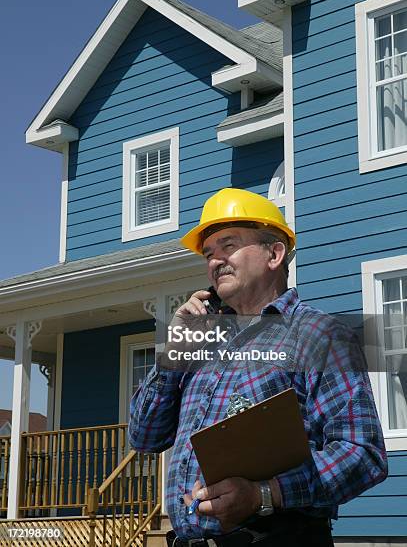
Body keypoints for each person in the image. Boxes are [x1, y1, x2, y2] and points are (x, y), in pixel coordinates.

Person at [128, 188, 387, 547]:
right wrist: (173, 353)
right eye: (208, 254)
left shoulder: (319, 335)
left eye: (229, 246)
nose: (216, 261)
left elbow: (363, 453)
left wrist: (264, 493)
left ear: (274, 253)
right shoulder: (201, 341)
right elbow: (143, 437)